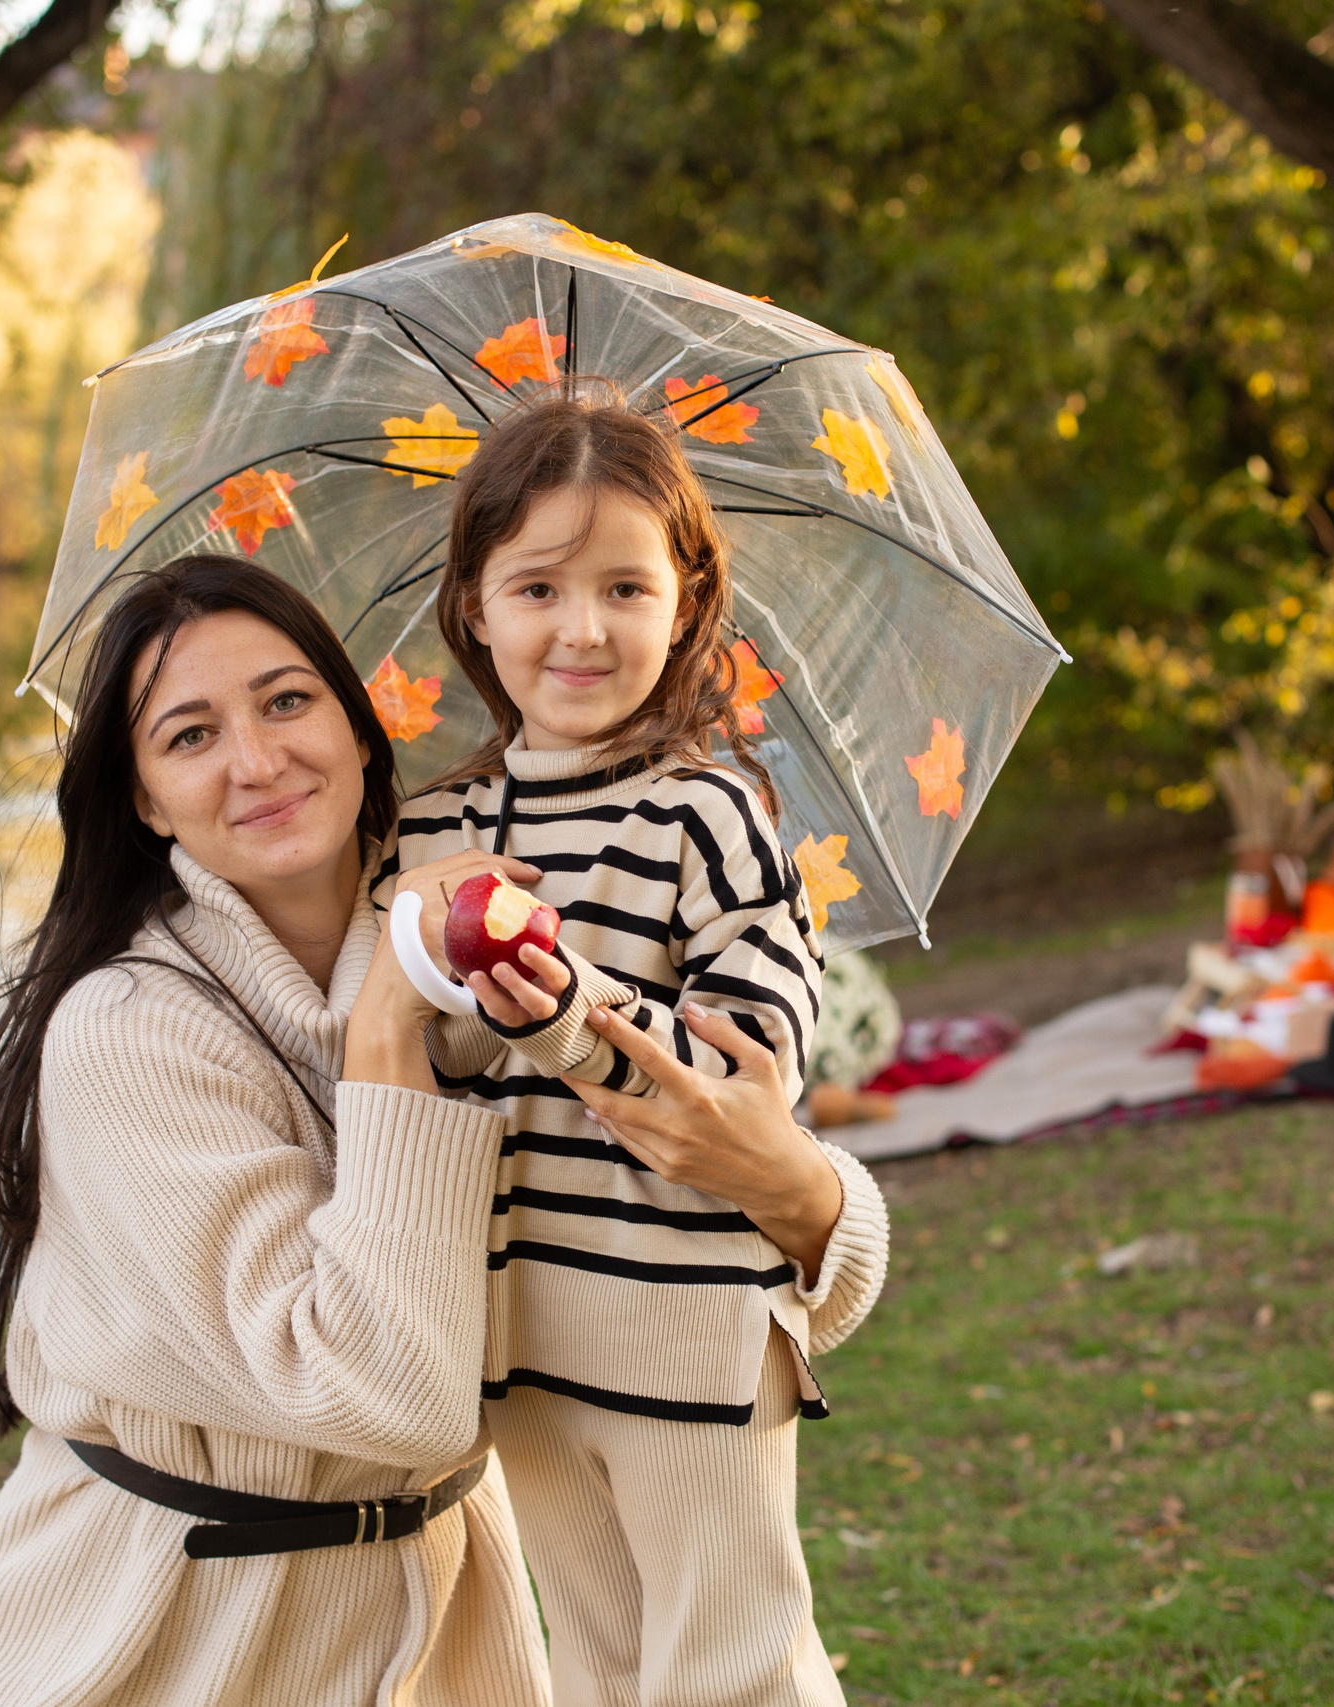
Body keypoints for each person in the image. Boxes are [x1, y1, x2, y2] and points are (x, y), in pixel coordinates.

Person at [0, 554, 886, 1707]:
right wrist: (385, 1040)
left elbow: (757, 1240)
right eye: (189, 736)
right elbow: (385, 1393)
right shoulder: (128, 1034)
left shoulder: (471, 930)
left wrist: (809, 1197)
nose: (259, 760)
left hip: (442, 1634)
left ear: (358, 726)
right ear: (140, 797)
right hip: (168, 1638)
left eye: (287, 701)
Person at [377, 393, 879, 1707]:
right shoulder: (434, 828)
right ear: (475, 605)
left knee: (732, 1664)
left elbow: (745, 1069)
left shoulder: (712, 809)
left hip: (683, 1313)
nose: (583, 627)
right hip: (522, 1322)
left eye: (624, 584)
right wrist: (456, 1005)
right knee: (600, 1666)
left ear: (686, 594)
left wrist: (564, 1007)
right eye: (537, 584)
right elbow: (414, 1070)